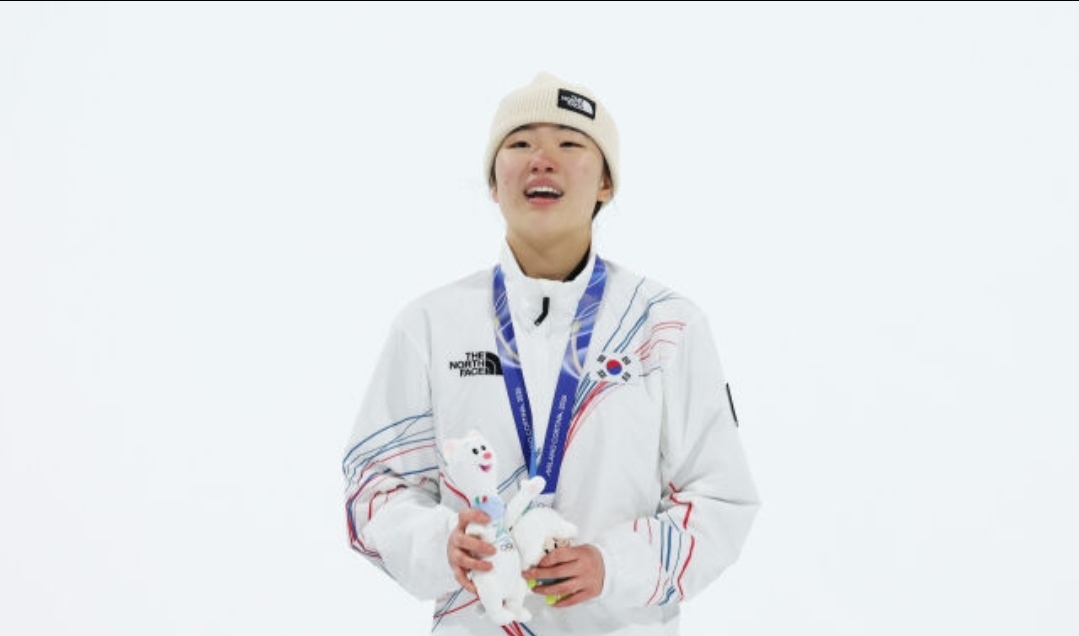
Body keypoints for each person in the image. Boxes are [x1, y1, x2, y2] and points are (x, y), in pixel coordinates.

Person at [342, 71, 760, 635]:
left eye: (568, 143)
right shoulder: (431, 326)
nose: (542, 160)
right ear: (494, 183)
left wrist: (613, 566)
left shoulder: (664, 325)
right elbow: (374, 488)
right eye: (519, 144)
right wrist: (443, 545)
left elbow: (721, 499)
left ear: (606, 182)